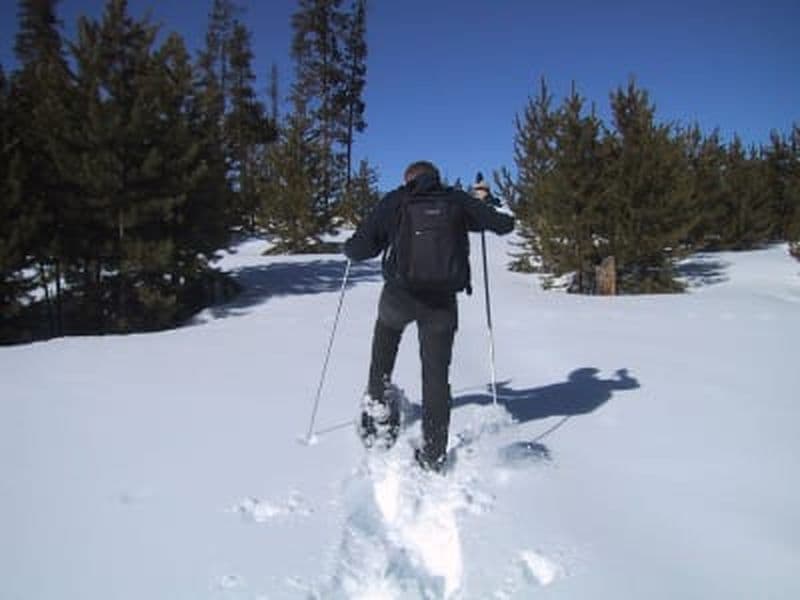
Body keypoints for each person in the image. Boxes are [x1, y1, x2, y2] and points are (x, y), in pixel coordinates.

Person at [344, 160, 514, 472]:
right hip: (442, 302)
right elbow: (503, 224)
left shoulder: (397, 200)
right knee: (436, 376)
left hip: (399, 296)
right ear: (436, 177)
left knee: (383, 354)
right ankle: (433, 453)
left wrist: (349, 248)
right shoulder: (455, 200)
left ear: (408, 179)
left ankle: (379, 422)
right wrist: (484, 203)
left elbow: (360, 249)